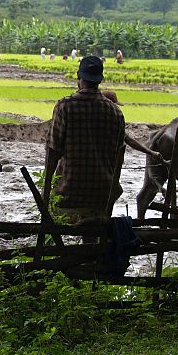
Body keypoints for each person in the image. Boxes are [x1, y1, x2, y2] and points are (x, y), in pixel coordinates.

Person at [43, 56, 126, 237]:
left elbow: (52, 150)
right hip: (101, 196)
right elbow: (118, 158)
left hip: (68, 194)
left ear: (79, 78)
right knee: (93, 241)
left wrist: (46, 190)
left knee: (53, 237)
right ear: (100, 80)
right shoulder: (115, 112)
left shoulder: (65, 107)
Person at [102, 90, 166, 162]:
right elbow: (129, 140)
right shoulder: (114, 120)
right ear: (108, 104)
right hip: (108, 161)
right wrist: (151, 152)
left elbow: (128, 139)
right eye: (114, 104)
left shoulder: (92, 115)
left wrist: (151, 152)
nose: (115, 107)